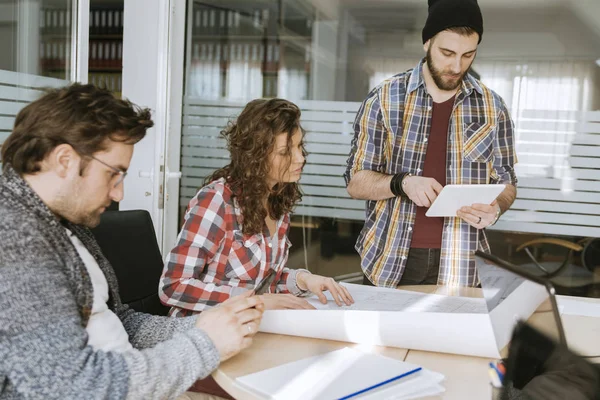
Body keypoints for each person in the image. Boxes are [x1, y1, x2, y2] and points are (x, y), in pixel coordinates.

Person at [0, 84, 263, 400]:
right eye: (113, 174)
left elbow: (118, 321)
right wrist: (206, 343)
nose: (118, 194)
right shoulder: (14, 238)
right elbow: (74, 387)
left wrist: (202, 326)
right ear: (65, 160)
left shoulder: (63, 223)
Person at [344, 0, 517, 288]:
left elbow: (507, 182)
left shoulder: (493, 107)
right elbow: (355, 182)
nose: (456, 65)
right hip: (389, 258)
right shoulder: (384, 99)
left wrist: (496, 207)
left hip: (462, 261)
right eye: (447, 52)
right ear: (427, 43)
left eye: (468, 54)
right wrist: (403, 183)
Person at [159, 98, 354, 315]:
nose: (300, 158)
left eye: (300, 147)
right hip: (204, 332)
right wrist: (254, 301)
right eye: (285, 152)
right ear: (256, 156)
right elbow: (173, 286)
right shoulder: (216, 201)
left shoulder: (277, 199)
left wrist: (304, 280)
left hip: (250, 325)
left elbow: (261, 281)